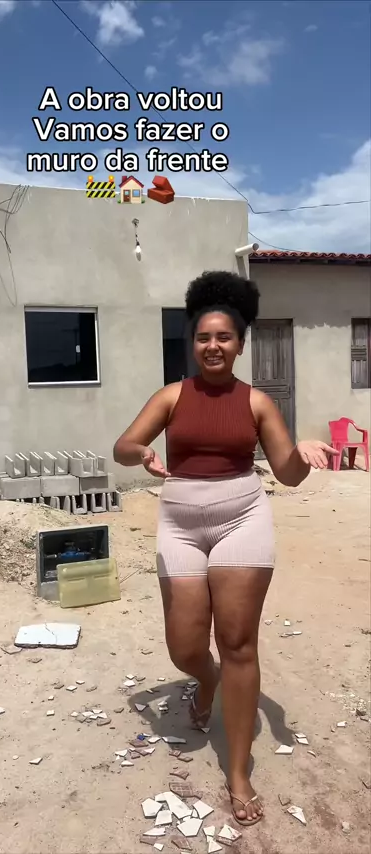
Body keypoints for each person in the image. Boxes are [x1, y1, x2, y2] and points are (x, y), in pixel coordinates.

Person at [113, 270, 337, 827]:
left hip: (242, 518)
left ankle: (238, 772)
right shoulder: (172, 396)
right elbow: (123, 445)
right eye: (203, 337)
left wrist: (303, 454)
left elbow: (286, 473)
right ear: (193, 343)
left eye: (224, 337)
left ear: (240, 344)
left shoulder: (257, 402)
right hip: (181, 523)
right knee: (186, 646)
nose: (212, 346)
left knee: (238, 643)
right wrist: (141, 452)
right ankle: (205, 680)